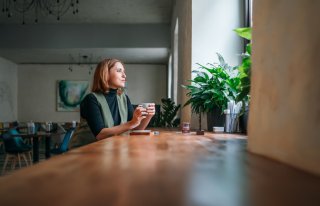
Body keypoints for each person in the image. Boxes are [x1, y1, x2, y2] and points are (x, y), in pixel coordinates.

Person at [68, 58, 155, 149]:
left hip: (109, 150)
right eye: (119, 71)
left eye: (124, 72)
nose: (124, 75)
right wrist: (132, 123)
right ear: (105, 74)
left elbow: (135, 130)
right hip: (84, 152)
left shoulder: (124, 98)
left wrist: (148, 116)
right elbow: (100, 134)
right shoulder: (91, 99)